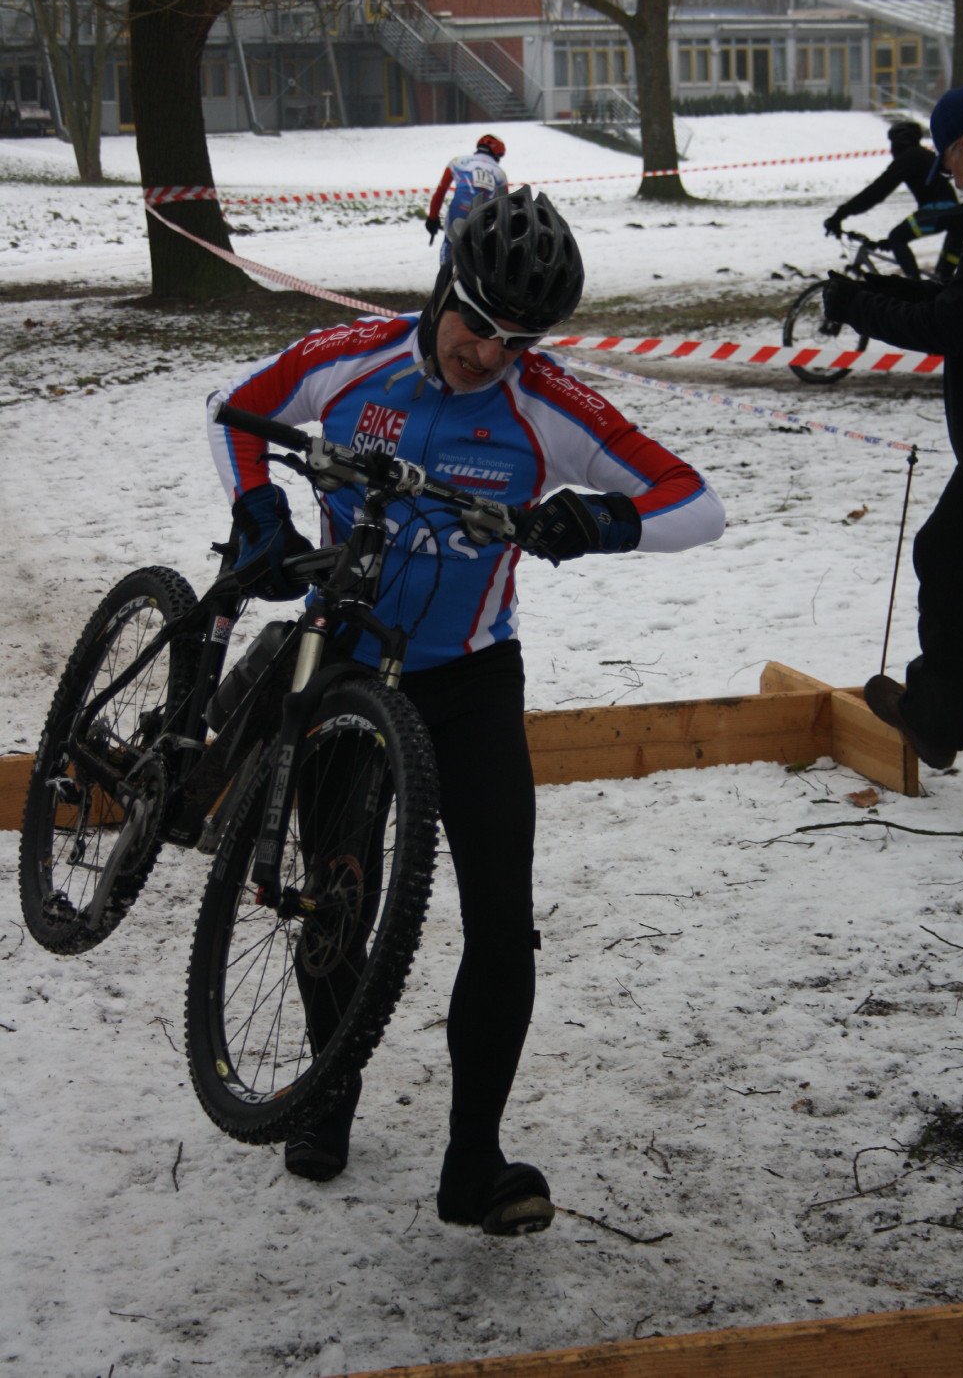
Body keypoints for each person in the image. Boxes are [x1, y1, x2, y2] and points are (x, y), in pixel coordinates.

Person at [208, 186, 725, 1236]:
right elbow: (232, 410)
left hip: (471, 680)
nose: (489, 355)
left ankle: (473, 1161)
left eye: (517, 340)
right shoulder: (353, 359)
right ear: (445, 285)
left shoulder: (545, 405)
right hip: (343, 664)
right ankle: (329, 1089)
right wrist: (257, 507)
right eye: (478, 324)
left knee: (500, 922)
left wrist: (600, 522)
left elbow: (695, 503)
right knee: (335, 896)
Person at [822, 85, 963, 823]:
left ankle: (938, 712)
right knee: (947, 554)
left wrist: (860, 306)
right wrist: (888, 290)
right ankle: (935, 715)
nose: (950, 176)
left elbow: (954, 326)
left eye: (951, 163)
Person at [824, 119, 963, 282]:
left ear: (900, 142)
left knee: (897, 237)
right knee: (942, 280)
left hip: (937, 211)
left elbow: (877, 191)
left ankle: (916, 289)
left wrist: (840, 214)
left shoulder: (909, 157)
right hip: (955, 214)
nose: (892, 148)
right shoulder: (923, 154)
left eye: (893, 143)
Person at [424, 133, 508, 265]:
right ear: (497, 154)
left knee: (450, 246)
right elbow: (504, 206)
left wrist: (432, 218)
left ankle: (445, 272)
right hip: (483, 217)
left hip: (457, 212)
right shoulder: (500, 173)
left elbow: (441, 192)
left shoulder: (456, 162)